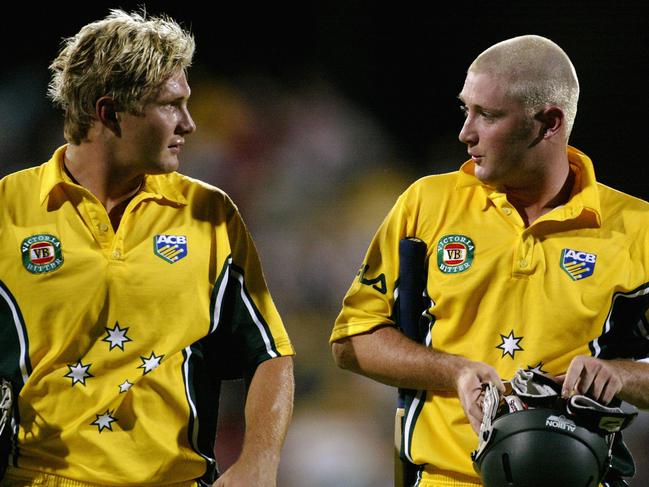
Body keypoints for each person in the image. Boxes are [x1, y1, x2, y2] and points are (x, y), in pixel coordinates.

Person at [330, 34, 649, 487]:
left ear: (549, 123)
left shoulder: (638, 229)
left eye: (489, 115)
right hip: (442, 477)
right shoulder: (427, 204)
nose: (466, 132)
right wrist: (454, 371)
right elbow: (351, 340)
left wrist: (617, 374)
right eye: (467, 110)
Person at [0, 9, 294, 487]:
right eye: (170, 105)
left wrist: (260, 461)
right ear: (108, 112)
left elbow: (269, 354)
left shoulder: (210, 212)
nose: (190, 124)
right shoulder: (7, 209)